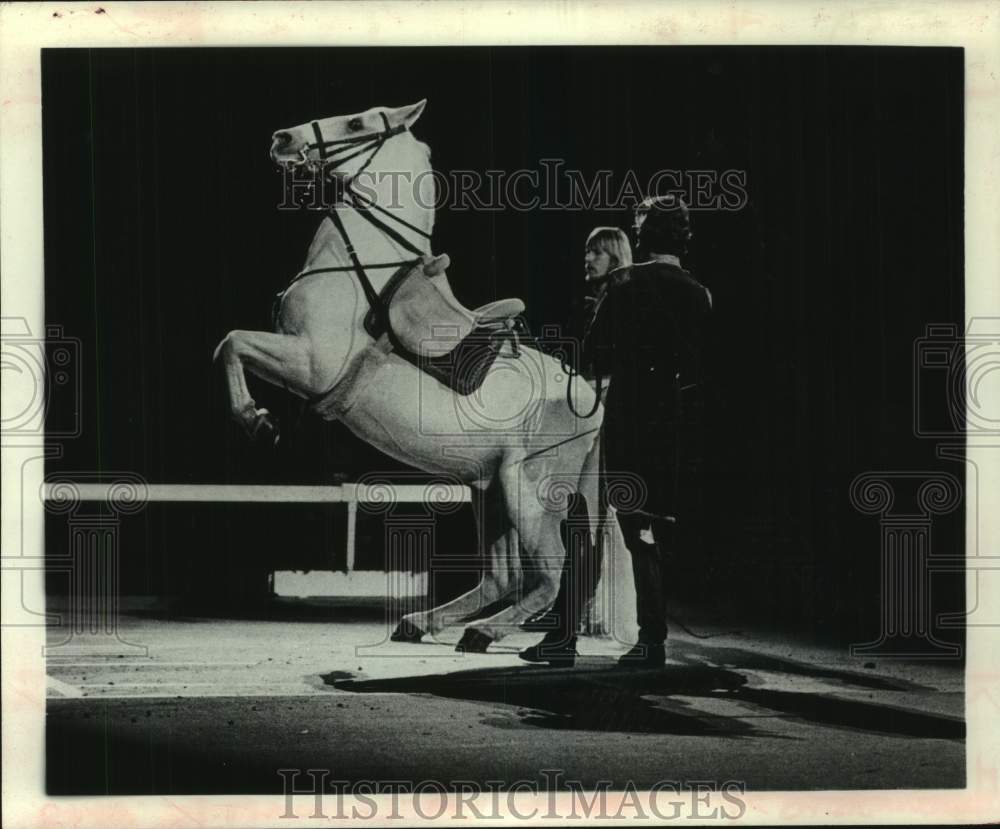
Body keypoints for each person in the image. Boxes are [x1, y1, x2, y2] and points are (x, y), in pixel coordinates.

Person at [521, 195, 713, 668]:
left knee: (587, 528)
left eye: (639, 223)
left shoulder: (628, 283)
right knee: (644, 532)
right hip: (672, 428)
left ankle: (577, 638)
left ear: (647, 232)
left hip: (626, 422)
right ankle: (646, 638)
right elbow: (700, 369)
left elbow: (593, 355)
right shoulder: (700, 292)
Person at [518, 226, 633, 668]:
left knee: (584, 529)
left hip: (606, 426)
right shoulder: (595, 304)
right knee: (579, 528)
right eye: (586, 251)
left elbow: (614, 368)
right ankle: (565, 627)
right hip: (592, 424)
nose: (588, 259)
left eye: (597, 253)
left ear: (615, 257)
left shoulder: (619, 303)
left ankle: (565, 633)